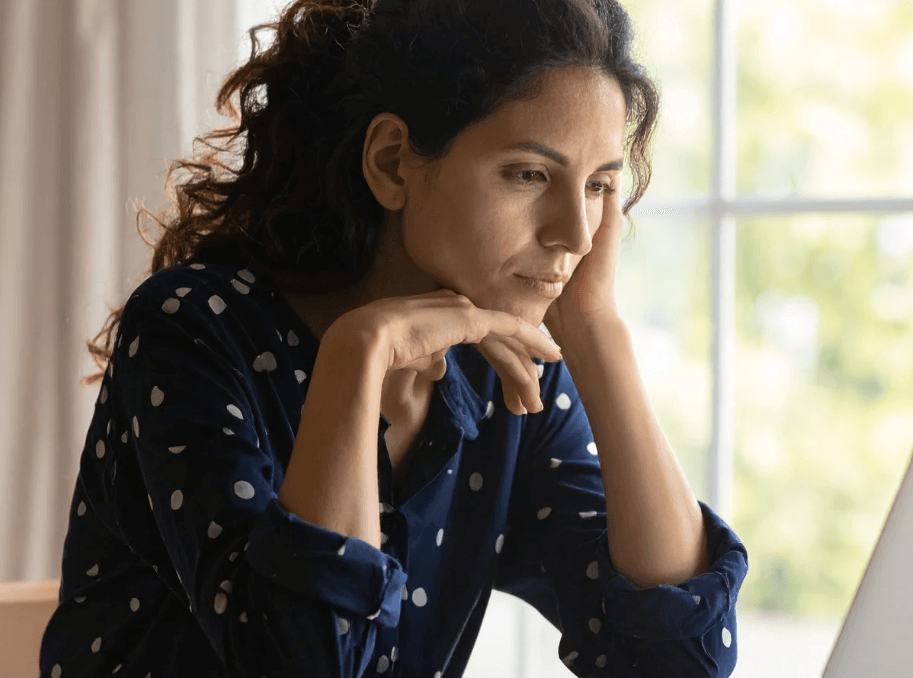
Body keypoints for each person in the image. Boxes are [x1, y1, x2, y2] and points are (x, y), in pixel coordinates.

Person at [38, 0, 748, 675]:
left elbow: (677, 661)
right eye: (528, 174)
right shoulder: (194, 329)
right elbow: (305, 663)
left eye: (597, 186)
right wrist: (359, 353)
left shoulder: (506, 374)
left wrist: (597, 331)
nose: (573, 233)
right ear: (391, 162)